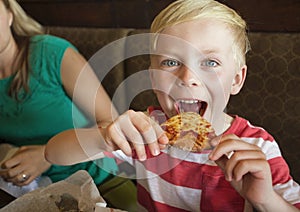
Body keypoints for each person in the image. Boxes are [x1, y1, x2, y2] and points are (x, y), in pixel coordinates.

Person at [45, 0, 300, 211]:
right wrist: (105, 137)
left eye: (210, 62)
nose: (188, 78)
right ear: (152, 77)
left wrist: (264, 199)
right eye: (170, 62)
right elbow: (54, 154)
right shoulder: (146, 132)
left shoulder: (258, 147)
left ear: (236, 80)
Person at [0, 0, 119, 204]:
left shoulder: (52, 53)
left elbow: (114, 126)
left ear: (10, 15)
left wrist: (45, 157)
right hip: (28, 195)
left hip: (100, 183)